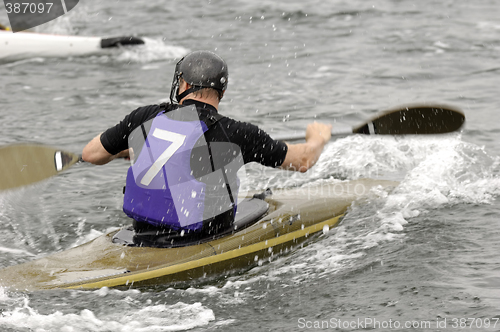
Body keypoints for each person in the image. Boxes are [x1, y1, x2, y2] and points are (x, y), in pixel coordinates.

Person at [82, 50, 332, 244]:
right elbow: (302, 161)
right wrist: (317, 137)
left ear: (184, 85)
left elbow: (91, 154)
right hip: (202, 239)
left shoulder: (144, 118)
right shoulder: (237, 133)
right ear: (221, 91)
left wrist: (134, 148)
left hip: (144, 235)